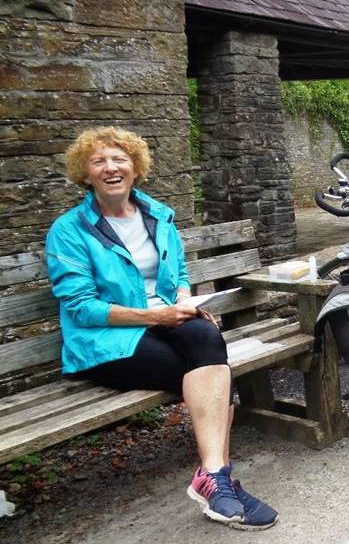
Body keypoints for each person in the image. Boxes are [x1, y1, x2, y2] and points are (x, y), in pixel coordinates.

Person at [45, 127, 277, 530]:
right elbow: (82, 309)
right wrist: (157, 317)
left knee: (206, 338)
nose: (111, 167)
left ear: (135, 168)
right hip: (105, 340)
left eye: (120, 159)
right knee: (212, 372)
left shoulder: (157, 214)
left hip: (164, 321)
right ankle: (220, 480)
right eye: (99, 161)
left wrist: (185, 299)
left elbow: (179, 273)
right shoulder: (69, 230)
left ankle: (214, 478)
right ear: (85, 174)